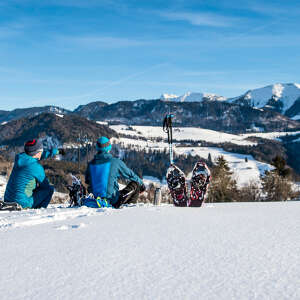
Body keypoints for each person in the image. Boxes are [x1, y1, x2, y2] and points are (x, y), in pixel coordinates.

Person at [85, 136, 145, 208]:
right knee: (136, 184)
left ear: (97, 147)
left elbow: (87, 181)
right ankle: (129, 210)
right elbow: (130, 175)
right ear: (109, 147)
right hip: (113, 200)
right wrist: (142, 185)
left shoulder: (91, 164)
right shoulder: (115, 162)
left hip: (96, 200)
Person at [4, 139, 60, 209]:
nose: (42, 152)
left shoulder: (20, 158)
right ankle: (38, 211)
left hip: (7, 200)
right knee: (49, 189)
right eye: (41, 151)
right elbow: (45, 185)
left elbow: (39, 155)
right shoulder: (36, 167)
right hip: (22, 203)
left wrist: (55, 151)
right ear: (37, 153)